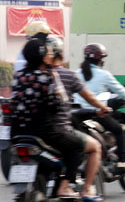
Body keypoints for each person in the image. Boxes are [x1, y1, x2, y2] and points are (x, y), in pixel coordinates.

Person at [10, 39, 103, 201]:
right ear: (42, 56)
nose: (50, 55)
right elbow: (57, 104)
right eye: (47, 53)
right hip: (45, 132)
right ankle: (65, 186)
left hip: (18, 131)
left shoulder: (18, 76)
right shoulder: (48, 77)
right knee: (76, 146)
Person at [45, 36, 112, 199]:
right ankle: (83, 189)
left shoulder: (31, 74)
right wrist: (103, 108)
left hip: (30, 130)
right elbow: (89, 97)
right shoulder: (64, 75)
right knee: (94, 146)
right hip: (58, 130)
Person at [74, 43, 125, 171]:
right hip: (96, 114)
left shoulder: (76, 73)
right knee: (119, 130)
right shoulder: (104, 75)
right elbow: (121, 91)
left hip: (77, 113)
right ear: (100, 59)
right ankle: (122, 161)